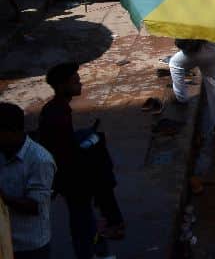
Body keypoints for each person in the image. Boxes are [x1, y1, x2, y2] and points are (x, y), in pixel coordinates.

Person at [37, 63, 124, 258]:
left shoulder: (58, 109)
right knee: (81, 220)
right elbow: (63, 151)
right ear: (61, 86)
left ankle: (92, 247)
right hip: (71, 178)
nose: (80, 84)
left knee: (83, 219)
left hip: (69, 175)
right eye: (75, 81)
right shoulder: (57, 113)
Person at [0, 102, 55, 259]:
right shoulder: (3, 151)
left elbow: (35, 206)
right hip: (5, 241)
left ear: (11, 132)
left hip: (29, 247)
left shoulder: (40, 160)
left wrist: (3, 198)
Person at [169, 40, 215, 133]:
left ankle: (181, 97)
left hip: (192, 52)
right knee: (214, 85)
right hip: (213, 51)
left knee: (174, 64)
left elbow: (180, 43)